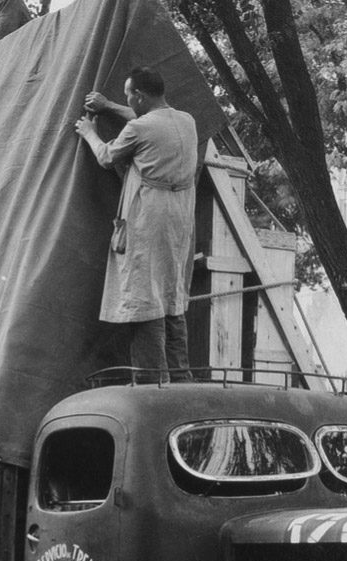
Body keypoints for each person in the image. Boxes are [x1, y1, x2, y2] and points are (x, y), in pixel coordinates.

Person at [74, 67, 198, 381]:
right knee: (172, 295)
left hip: (149, 213)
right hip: (181, 214)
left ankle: (152, 382)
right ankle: (181, 377)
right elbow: (142, 117)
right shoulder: (186, 120)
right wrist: (110, 105)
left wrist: (89, 130)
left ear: (140, 95)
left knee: (146, 298)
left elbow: (106, 157)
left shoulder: (140, 129)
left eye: (130, 94)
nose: (127, 99)